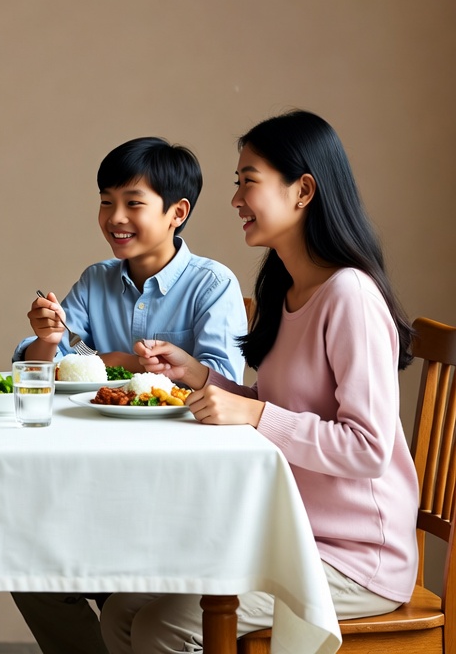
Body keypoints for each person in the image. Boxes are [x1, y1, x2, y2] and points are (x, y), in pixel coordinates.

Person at [100, 110, 419, 654]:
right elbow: (280, 406)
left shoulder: (350, 297)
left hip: (354, 554)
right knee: (121, 611)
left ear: (303, 191)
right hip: (288, 532)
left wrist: (253, 414)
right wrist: (201, 376)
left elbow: (368, 449)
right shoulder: (288, 289)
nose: (234, 201)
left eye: (248, 182)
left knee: (162, 627)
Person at [11, 136, 248, 654]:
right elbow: (37, 375)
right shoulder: (97, 280)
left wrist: (109, 361)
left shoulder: (213, 285)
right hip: (93, 481)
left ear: (177, 212)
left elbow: (226, 387)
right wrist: (48, 340)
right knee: (24, 563)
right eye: (105, 200)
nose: (114, 216)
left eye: (133, 203)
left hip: (178, 498)